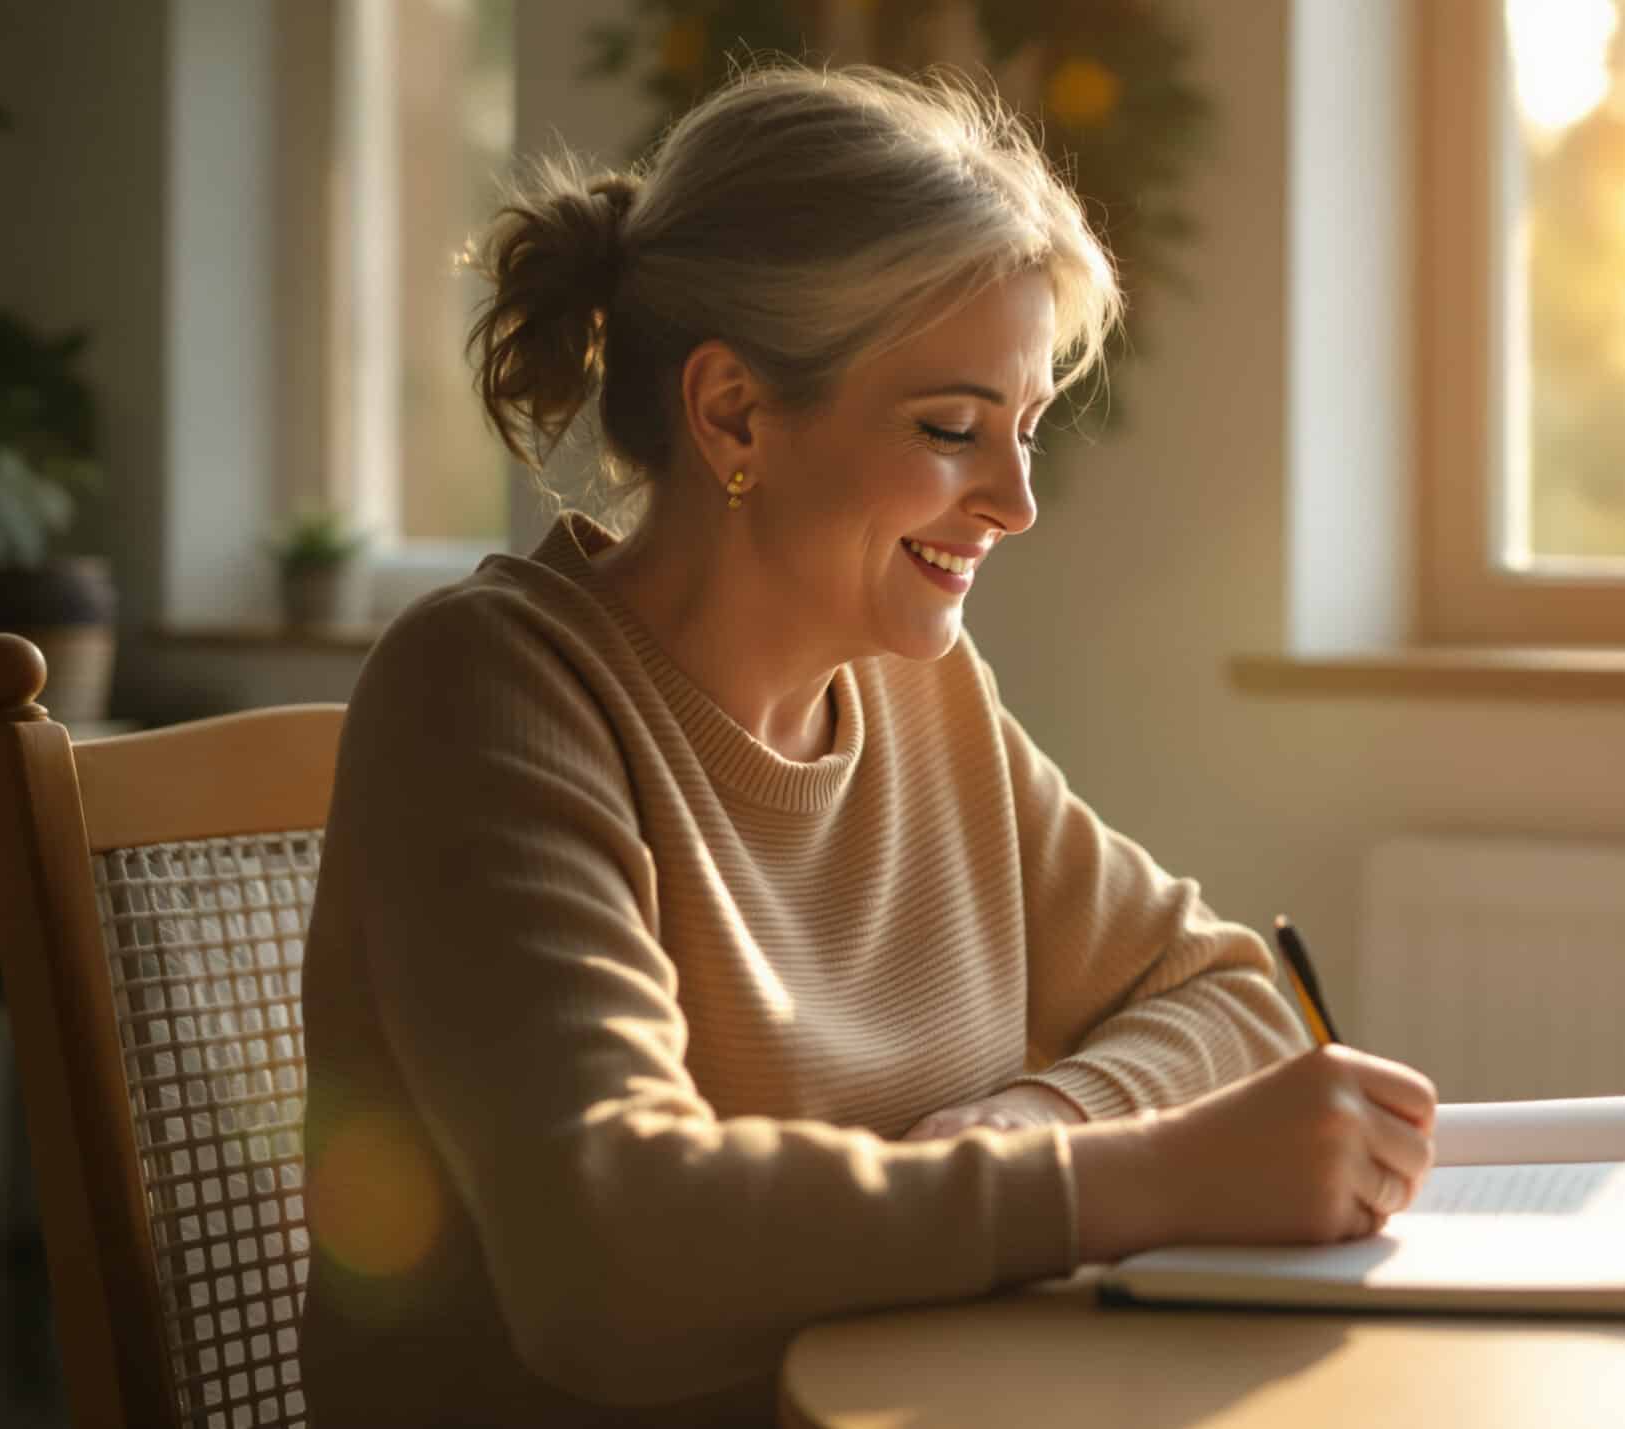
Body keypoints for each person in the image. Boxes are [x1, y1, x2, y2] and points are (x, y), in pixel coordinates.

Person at [295, 63, 1438, 1427]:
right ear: (733, 415)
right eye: (952, 429)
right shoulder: (492, 693)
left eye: (1022, 430)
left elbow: (1231, 997)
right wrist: (1143, 1177)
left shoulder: (921, 694)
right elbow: (608, 1250)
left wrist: (1027, 1129)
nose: (1014, 501)